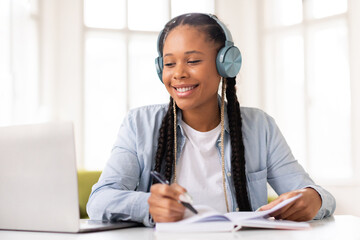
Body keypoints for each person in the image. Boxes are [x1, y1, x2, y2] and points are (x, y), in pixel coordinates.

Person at [87, 13, 336, 227]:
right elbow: (99, 201)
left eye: (193, 61)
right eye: (169, 63)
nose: (179, 73)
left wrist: (313, 199)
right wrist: (148, 205)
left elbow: (316, 195)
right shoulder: (139, 124)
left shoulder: (260, 127)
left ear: (226, 64)